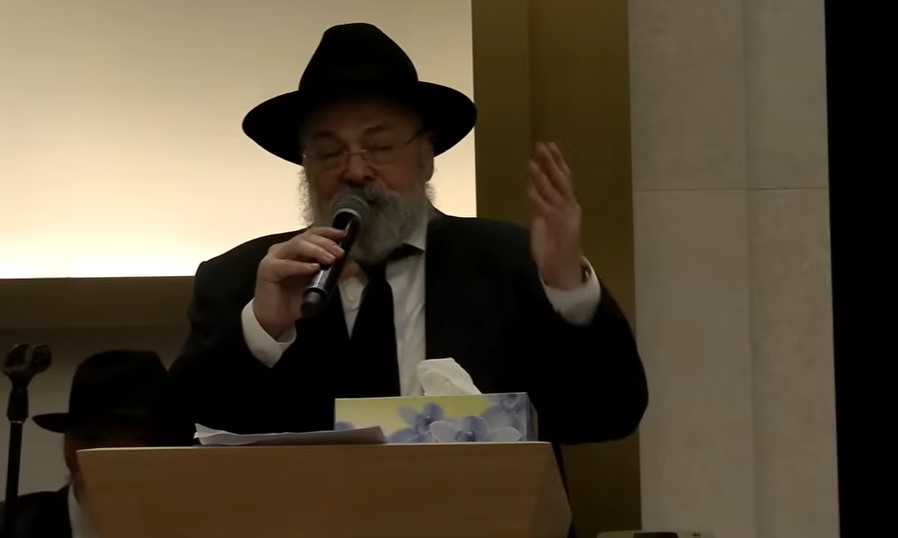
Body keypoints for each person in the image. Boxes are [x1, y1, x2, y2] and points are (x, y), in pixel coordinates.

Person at [163, 22, 648, 447]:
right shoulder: (245, 278)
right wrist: (263, 329)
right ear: (305, 166)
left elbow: (606, 417)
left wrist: (567, 289)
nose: (356, 171)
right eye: (329, 153)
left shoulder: (510, 263)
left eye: (379, 147)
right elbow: (178, 431)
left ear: (426, 155)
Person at [0, 350, 168, 538]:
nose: (136, 456)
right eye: (96, 440)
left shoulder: (190, 525)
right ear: (70, 448)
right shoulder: (12, 526)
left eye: (150, 442)